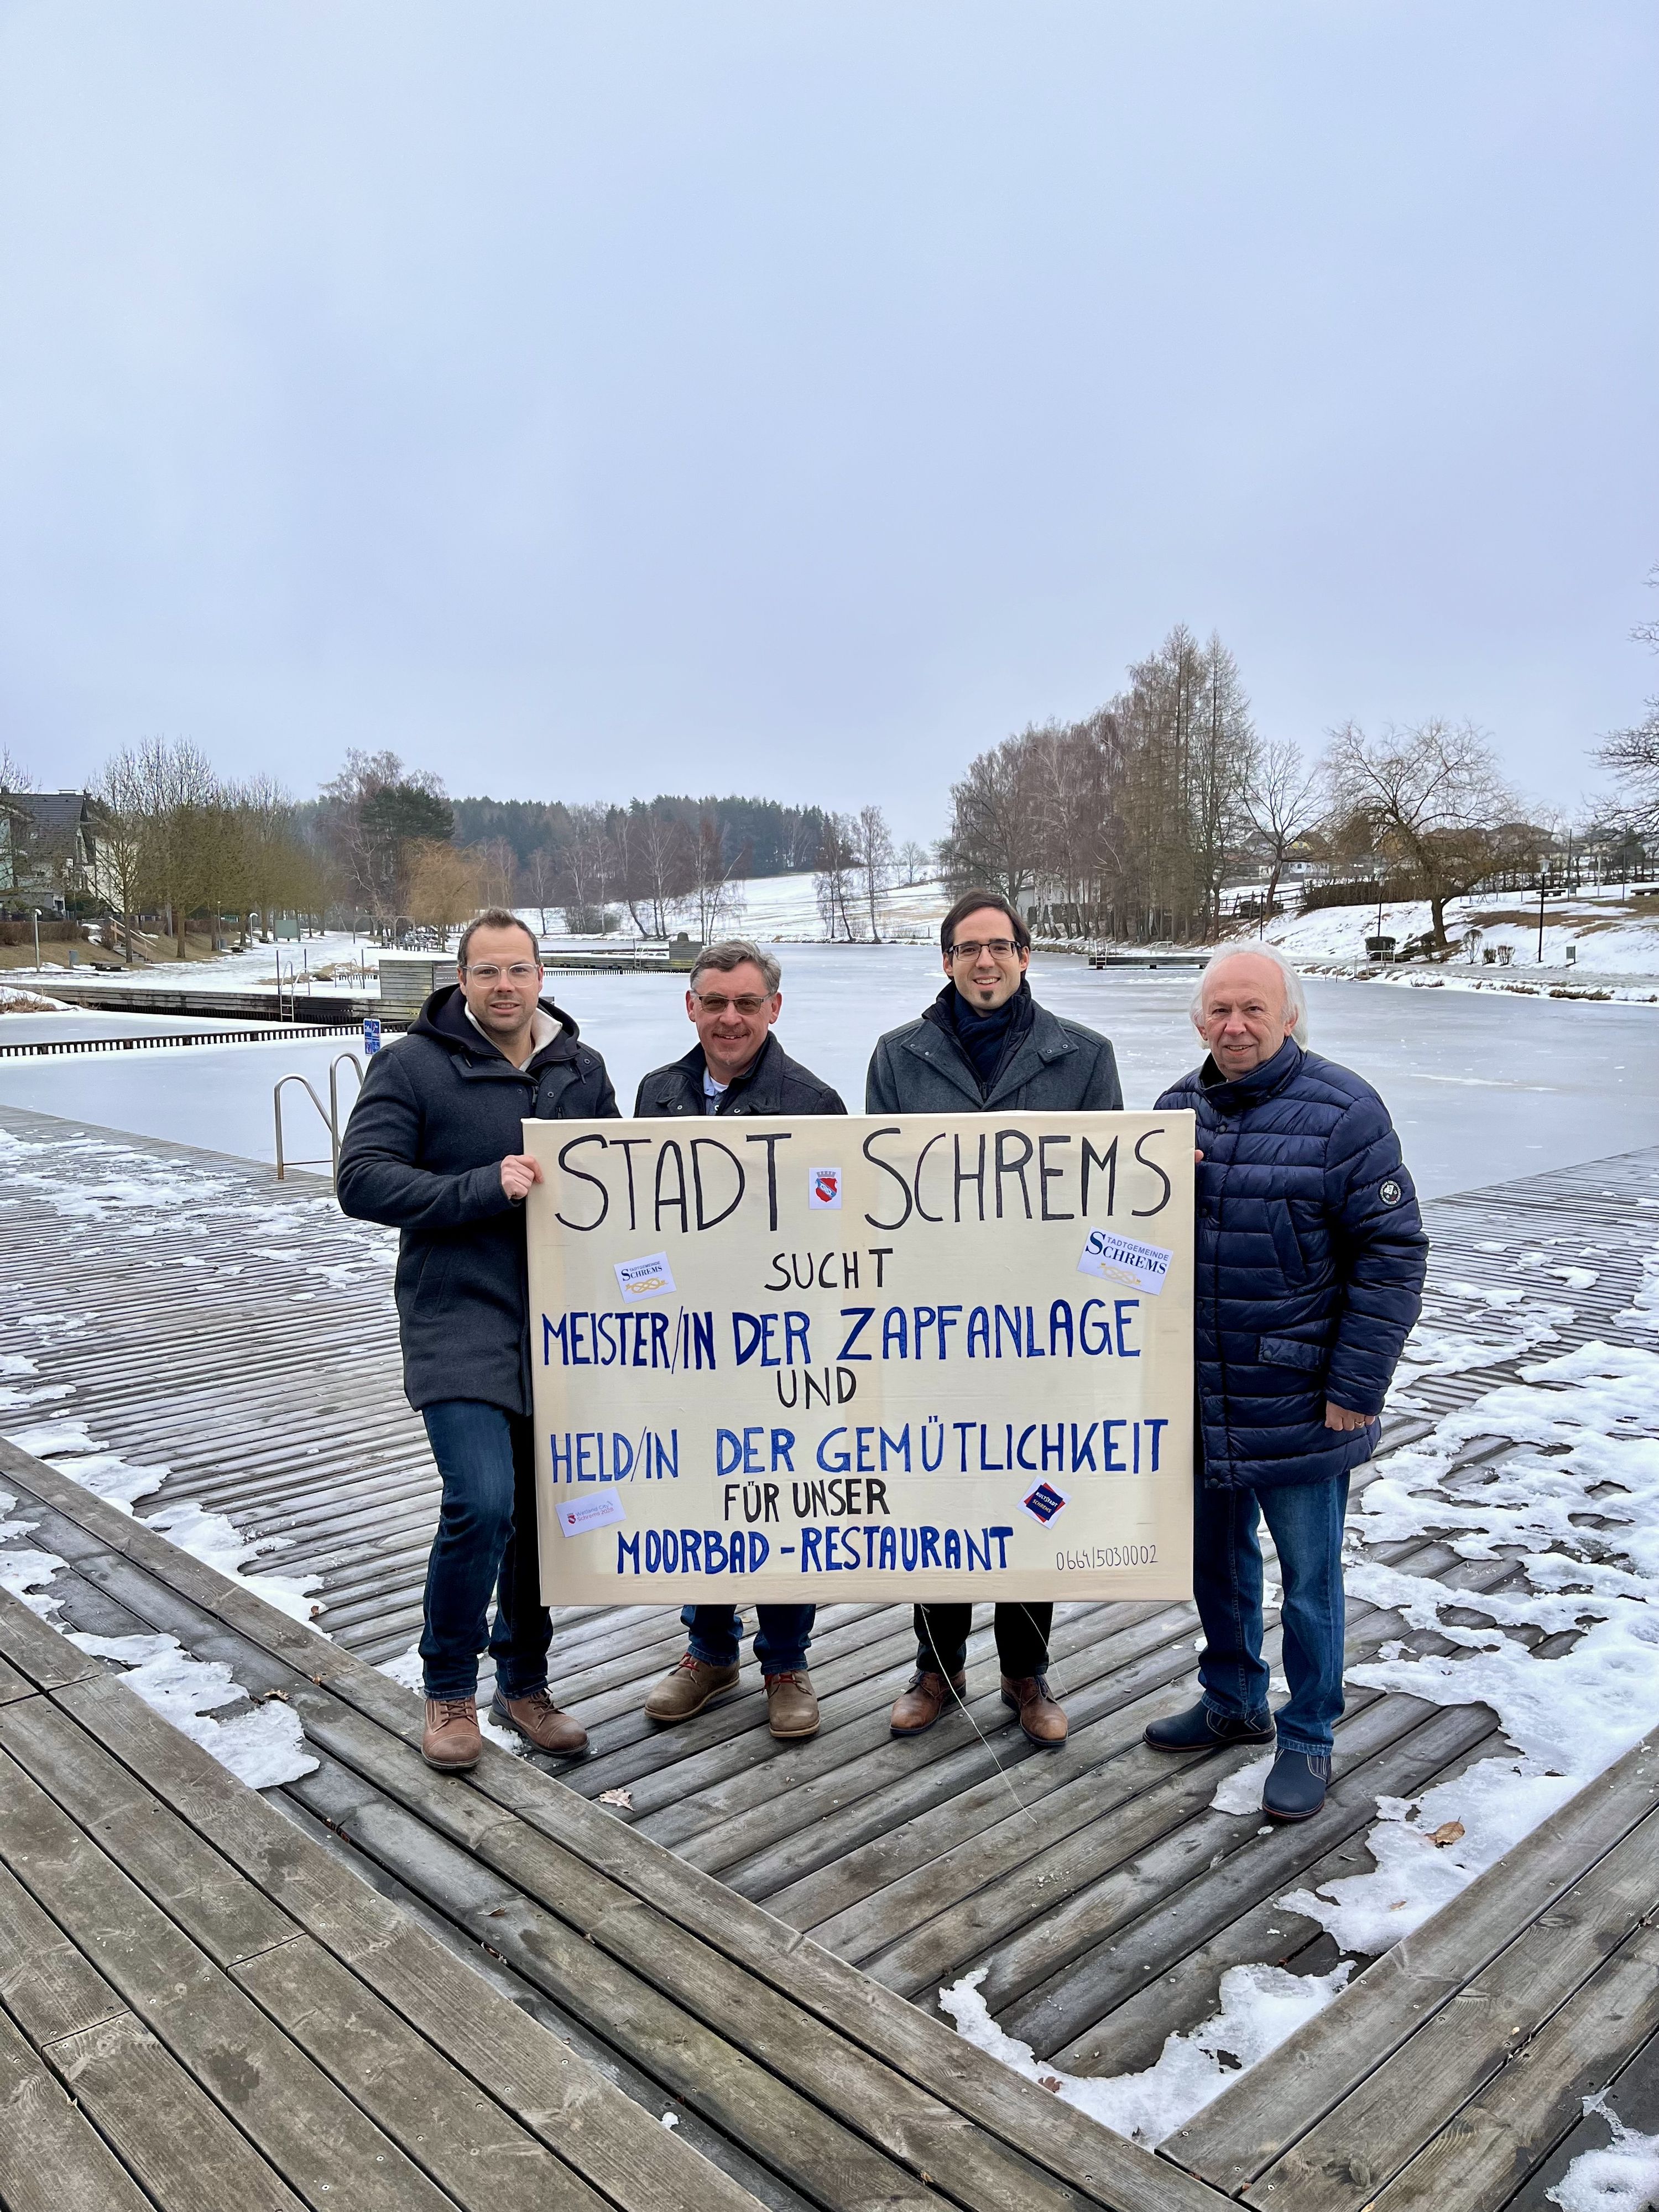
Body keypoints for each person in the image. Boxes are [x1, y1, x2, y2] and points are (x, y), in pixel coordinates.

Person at [1145, 945, 1426, 1820]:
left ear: (1289, 1015)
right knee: (1215, 1567)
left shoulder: (1345, 1111)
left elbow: (1393, 1253)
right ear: (1199, 1019)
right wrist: (1142, 1202)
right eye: (1220, 1010)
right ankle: (1233, 1701)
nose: (1235, 1026)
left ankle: (1309, 1734)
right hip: (1197, 1396)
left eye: (1254, 1010)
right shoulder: (1170, 1115)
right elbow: (1123, 1263)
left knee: (1308, 1579)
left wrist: (1359, 1385)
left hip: (1303, 1396)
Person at [337, 906, 618, 1773]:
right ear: (462, 980)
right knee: (482, 1502)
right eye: (487, 972)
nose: (504, 986)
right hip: (457, 1317)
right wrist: (479, 1189)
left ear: (542, 978)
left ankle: (523, 1682)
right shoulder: (413, 1066)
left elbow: (617, 1183)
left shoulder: (580, 1065)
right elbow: (362, 1180)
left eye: (519, 971)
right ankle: (448, 1689)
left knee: (540, 1519)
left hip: (561, 1326)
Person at [867, 889, 1123, 1748]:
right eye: (969, 948)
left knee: (1034, 1490)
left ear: (1024, 956)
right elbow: (877, 1189)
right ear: (946, 961)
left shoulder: (1084, 1057)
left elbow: (1111, 1193)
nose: (986, 961)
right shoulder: (897, 1057)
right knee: (940, 1483)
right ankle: (936, 1666)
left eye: (1000, 947)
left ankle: (1027, 1670)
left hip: (1041, 1321)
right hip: (933, 1321)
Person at [635, 938, 846, 1741]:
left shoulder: (813, 1101)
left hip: (784, 1335)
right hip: (688, 1334)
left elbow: (837, 1226)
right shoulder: (658, 1094)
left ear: (774, 1010)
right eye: (714, 1003)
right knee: (704, 1489)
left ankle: (786, 1662)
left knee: (783, 1493)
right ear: (690, 1007)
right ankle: (708, 1651)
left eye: (746, 1003)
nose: (729, 1018)